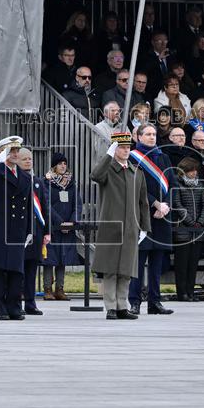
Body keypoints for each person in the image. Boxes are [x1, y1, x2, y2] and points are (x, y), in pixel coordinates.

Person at [91, 132, 150, 320]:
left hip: (131, 227)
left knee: (126, 269)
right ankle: (110, 306)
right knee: (110, 269)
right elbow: (95, 175)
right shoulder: (108, 170)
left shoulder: (136, 172)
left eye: (127, 147)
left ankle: (122, 305)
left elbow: (143, 202)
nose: (125, 150)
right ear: (114, 149)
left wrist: (145, 226)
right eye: (121, 147)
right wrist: (108, 156)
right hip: (111, 225)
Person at [0, 136, 33, 320]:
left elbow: (28, 206)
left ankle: (15, 307)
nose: (15, 154)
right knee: (0, 270)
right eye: (11, 151)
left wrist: (29, 230)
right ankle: (1, 309)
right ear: (3, 153)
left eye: (17, 151)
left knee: (16, 271)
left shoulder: (25, 176)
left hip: (17, 228)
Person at [128, 124, 174, 315]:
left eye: (154, 134)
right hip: (142, 214)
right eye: (147, 134)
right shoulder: (132, 157)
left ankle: (155, 301)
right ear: (138, 137)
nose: (152, 137)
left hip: (162, 215)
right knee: (138, 262)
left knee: (157, 262)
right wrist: (155, 204)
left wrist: (166, 206)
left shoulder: (163, 157)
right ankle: (135, 301)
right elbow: (134, 187)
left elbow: (172, 185)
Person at [42, 153, 81, 301]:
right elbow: (47, 205)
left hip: (68, 228)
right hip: (52, 227)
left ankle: (60, 289)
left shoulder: (71, 184)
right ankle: (47, 289)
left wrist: (71, 222)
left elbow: (77, 204)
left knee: (63, 259)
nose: (63, 166)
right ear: (54, 166)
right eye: (60, 164)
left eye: (65, 163)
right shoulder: (47, 183)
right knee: (49, 259)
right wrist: (59, 222)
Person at [171, 156, 204, 302]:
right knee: (182, 264)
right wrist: (190, 221)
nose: (194, 173)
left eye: (195, 170)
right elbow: (177, 205)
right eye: (190, 170)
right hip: (183, 230)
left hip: (197, 230)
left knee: (193, 263)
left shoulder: (199, 184)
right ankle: (182, 292)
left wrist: (199, 221)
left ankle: (191, 291)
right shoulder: (178, 184)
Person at [18, 148, 49, 315]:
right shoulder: (14, 180)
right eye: (24, 159)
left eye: (30, 159)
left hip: (36, 231)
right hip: (20, 233)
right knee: (18, 270)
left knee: (31, 269)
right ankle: (16, 302)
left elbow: (44, 207)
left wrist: (47, 232)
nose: (28, 161)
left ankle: (30, 303)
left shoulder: (37, 181)